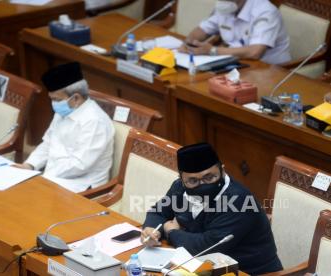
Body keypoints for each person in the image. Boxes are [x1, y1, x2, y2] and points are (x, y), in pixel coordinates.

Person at [141, 143, 283, 275]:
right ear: (182, 179)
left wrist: (170, 230)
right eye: (193, 181)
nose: (202, 185)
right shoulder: (179, 187)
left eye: (209, 177)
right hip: (203, 266)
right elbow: (158, 211)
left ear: (222, 170)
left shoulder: (239, 200)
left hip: (249, 271)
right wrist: (151, 230)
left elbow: (206, 247)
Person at [18, 62, 115, 193]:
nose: (54, 104)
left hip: (81, 186)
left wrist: (43, 176)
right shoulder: (63, 112)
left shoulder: (95, 121)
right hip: (54, 178)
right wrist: (29, 165)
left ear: (76, 98)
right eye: (51, 99)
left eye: (57, 100)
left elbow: (79, 165)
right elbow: (48, 144)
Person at [179, 0, 291, 65]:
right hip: (237, 63)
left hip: (270, 69)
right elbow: (202, 30)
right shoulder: (226, 5)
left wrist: (212, 50)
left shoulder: (265, 11)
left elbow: (255, 52)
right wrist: (189, 43)